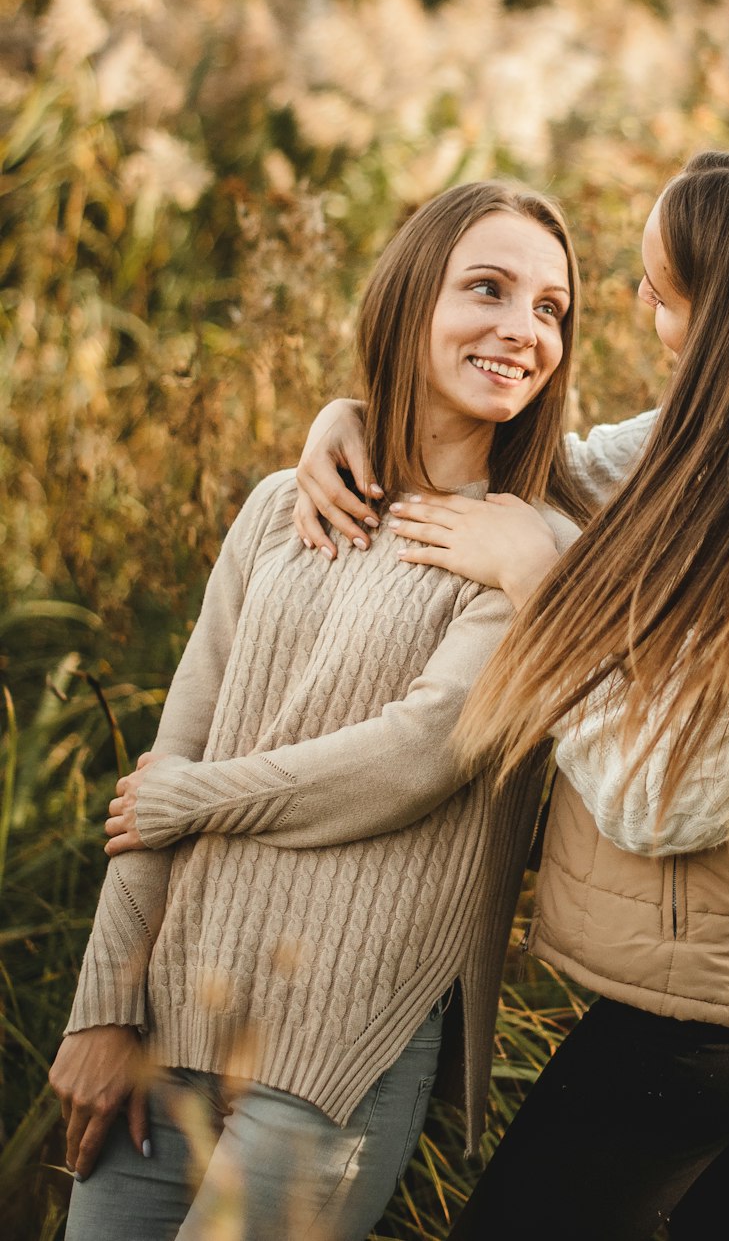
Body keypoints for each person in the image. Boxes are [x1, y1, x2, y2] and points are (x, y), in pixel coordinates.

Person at [291, 147, 729, 1241]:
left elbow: (668, 803)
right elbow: (558, 474)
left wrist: (545, 584)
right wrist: (356, 416)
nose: (641, 312)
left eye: (662, 291)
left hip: (712, 1013)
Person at [49, 181, 589, 1241]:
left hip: (345, 1043)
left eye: (551, 308)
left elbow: (419, 753)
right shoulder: (278, 505)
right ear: (406, 299)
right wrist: (104, 1008)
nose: (522, 329)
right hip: (171, 1008)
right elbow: (176, 743)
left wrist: (188, 800)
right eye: (488, 287)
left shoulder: (531, 549)